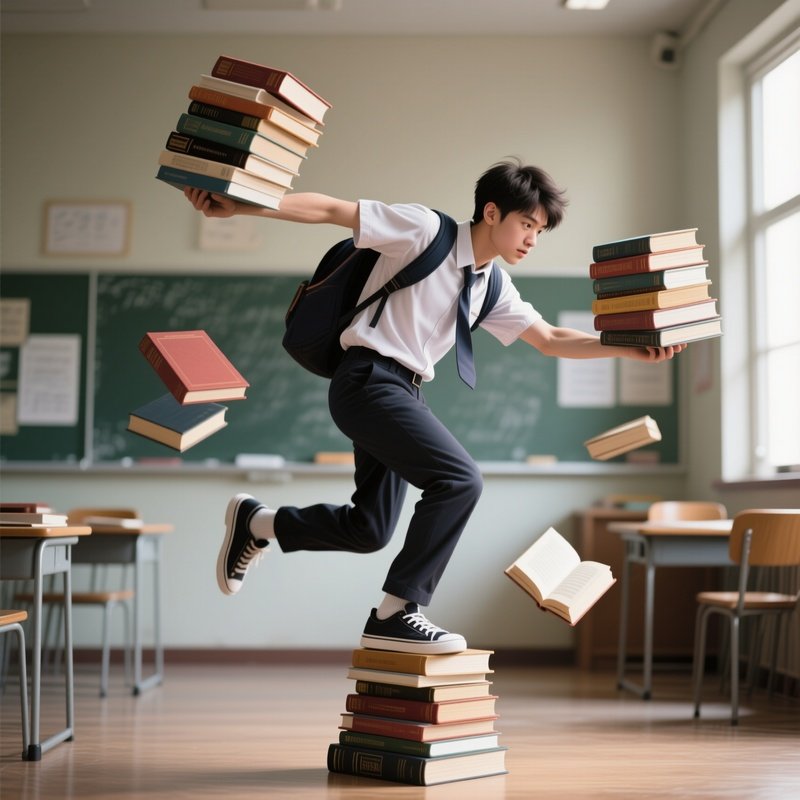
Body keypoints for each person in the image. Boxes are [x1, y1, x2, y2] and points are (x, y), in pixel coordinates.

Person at [184, 159, 686, 656]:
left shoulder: (491, 285)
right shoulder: (426, 231)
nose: (533, 239)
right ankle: (395, 614)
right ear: (492, 212)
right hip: (367, 378)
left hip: (401, 391)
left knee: (369, 529)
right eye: (527, 224)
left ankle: (257, 522)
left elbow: (551, 339)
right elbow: (333, 210)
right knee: (461, 480)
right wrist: (242, 206)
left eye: (540, 231)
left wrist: (628, 346)